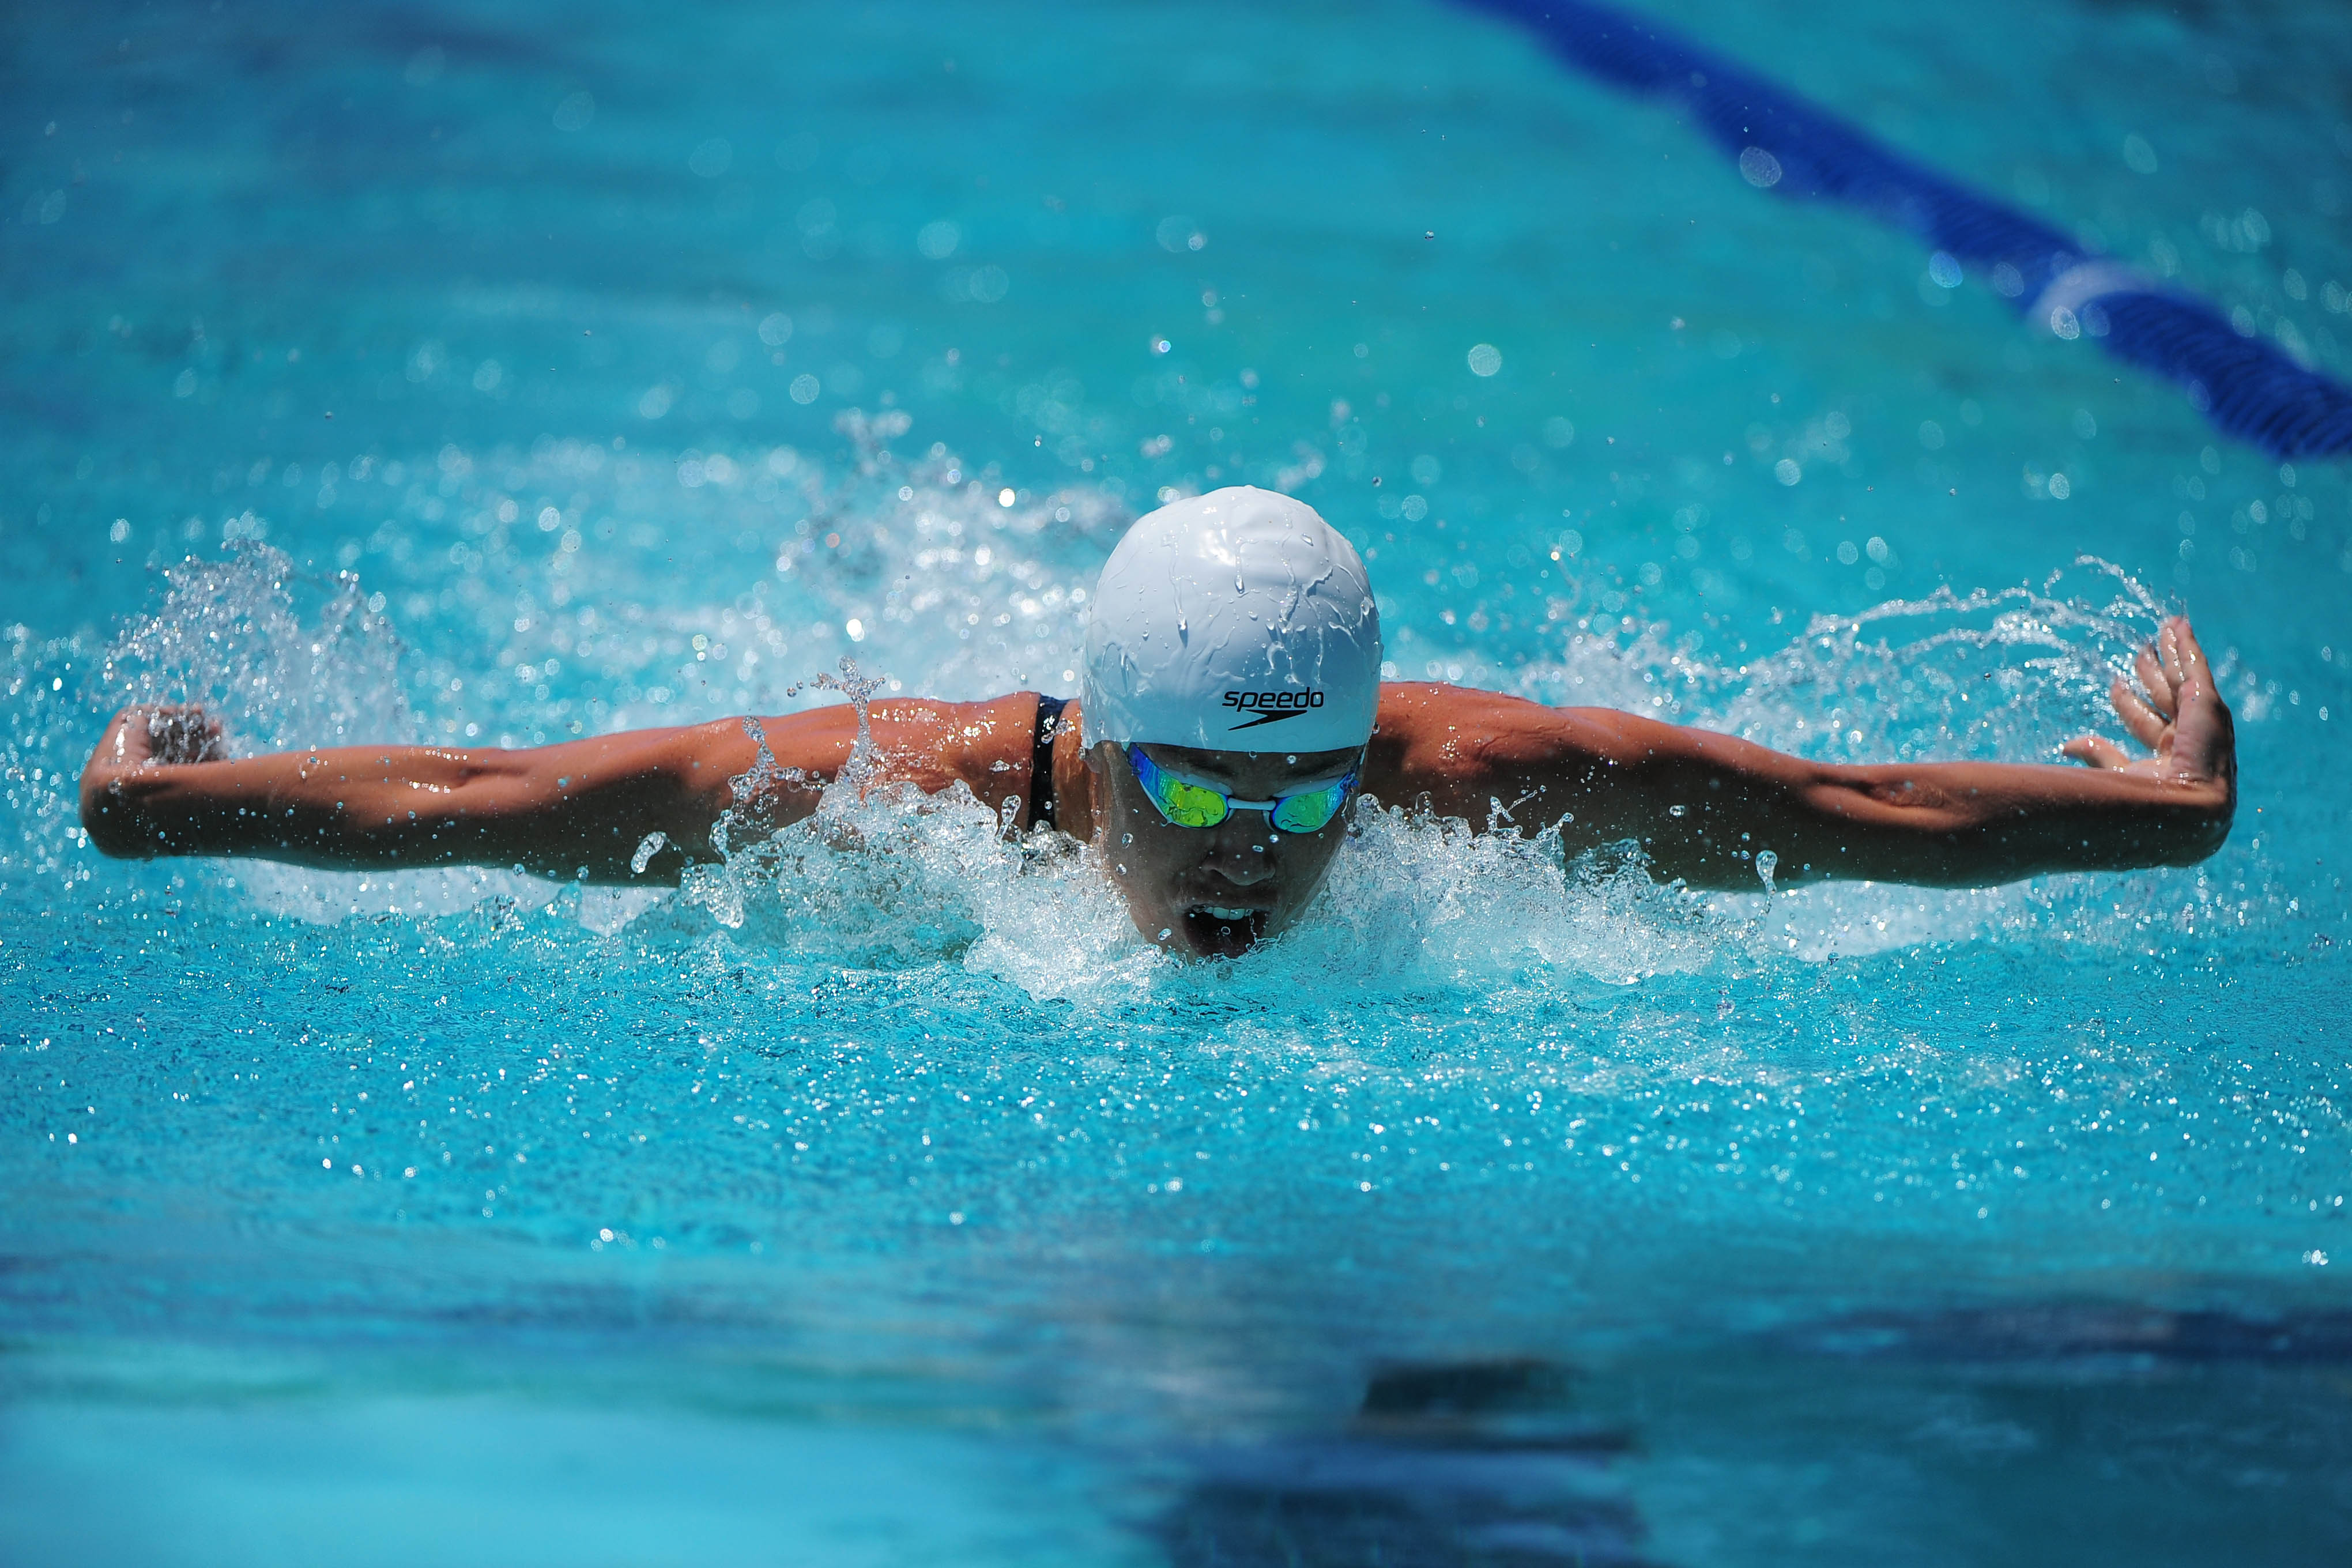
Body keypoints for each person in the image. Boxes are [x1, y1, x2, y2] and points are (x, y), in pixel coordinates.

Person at [80, 487, 2236, 959]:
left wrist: (2173, 815)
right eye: (1194, 781)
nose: (1250, 848)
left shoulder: (1473, 791)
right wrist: (175, 808)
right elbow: (513, 796)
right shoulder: (915, 792)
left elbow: (1849, 808)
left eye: (1307, 787)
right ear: (1100, 749)